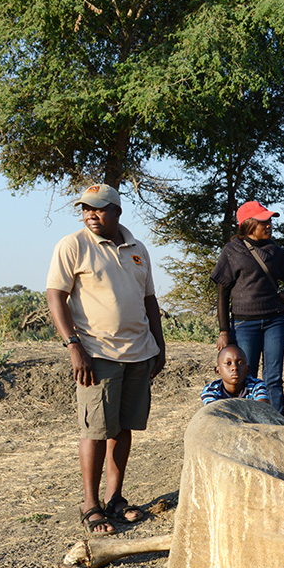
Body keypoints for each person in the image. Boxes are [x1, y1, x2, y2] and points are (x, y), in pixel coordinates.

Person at [45, 183, 165, 536]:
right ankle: (90, 504)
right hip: (97, 353)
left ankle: (115, 498)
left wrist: (159, 345)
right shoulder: (73, 245)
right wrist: (73, 345)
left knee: (123, 427)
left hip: (139, 352)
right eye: (85, 209)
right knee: (95, 430)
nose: (90, 215)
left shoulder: (137, 248)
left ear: (117, 211)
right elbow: (56, 296)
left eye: (98, 209)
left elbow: (149, 302)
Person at [210, 199, 284, 413]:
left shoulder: (274, 251)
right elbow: (223, 292)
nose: (268, 225)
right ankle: (249, 423)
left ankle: (277, 424)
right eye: (263, 221)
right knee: (245, 377)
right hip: (243, 324)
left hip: (275, 321)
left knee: (273, 378)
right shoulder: (232, 250)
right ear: (248, 224)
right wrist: (224, 331)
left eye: (269, 221)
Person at [201, 345, 271, 405]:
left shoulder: (256, 385)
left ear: (248, 369)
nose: (234, 368)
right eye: (228, 363)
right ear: (217, 370)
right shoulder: (211, 390)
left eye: (240, 363)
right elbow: (213, 414)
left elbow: (263, 409)